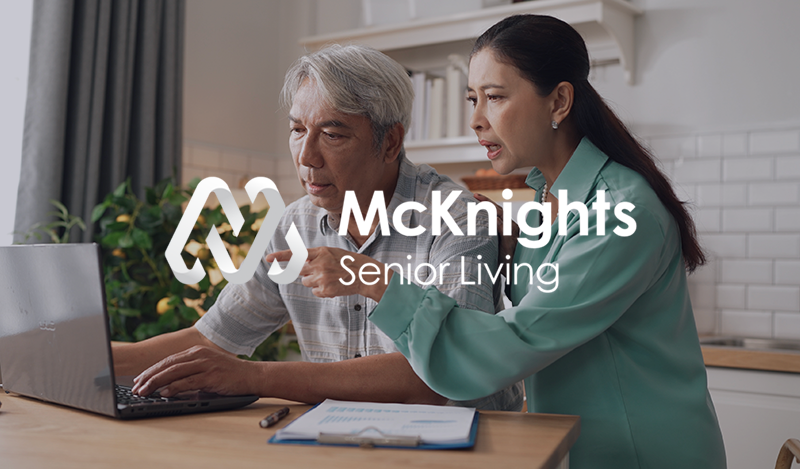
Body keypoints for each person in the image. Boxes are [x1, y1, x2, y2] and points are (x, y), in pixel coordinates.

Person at [270, 15, 726, 468]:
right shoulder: (550, 201)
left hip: (642, 453)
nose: (476, 119)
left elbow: (510, 344)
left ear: (559, 102)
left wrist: (372, 278)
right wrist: (506, 238)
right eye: (473, 99)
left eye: (495, 97)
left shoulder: (616, 213)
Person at [117, 44, 523, 411]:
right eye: (297, 130)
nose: (306, 157)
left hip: (467, 447)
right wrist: (87, 358)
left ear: (390, 143)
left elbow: (443, 375)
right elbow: (210, 339)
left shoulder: (458, 217)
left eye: (331, 134)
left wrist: (256, 377)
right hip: (342, 440)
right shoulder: (293, 224)